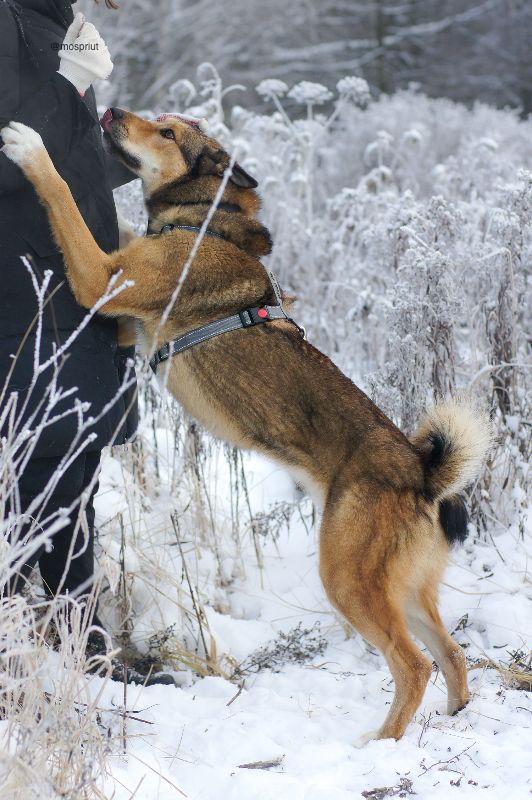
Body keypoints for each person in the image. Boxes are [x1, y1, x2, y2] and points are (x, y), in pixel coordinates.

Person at [0, 0, 167, 684]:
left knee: (72, 474)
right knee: (26, 481)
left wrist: (143, 154)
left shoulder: (47, 16)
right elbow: (11, 160)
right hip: (24, 297)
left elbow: (59, 157)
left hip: (78, 288)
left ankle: (78, 646)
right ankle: (23, 657)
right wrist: (67, 85)